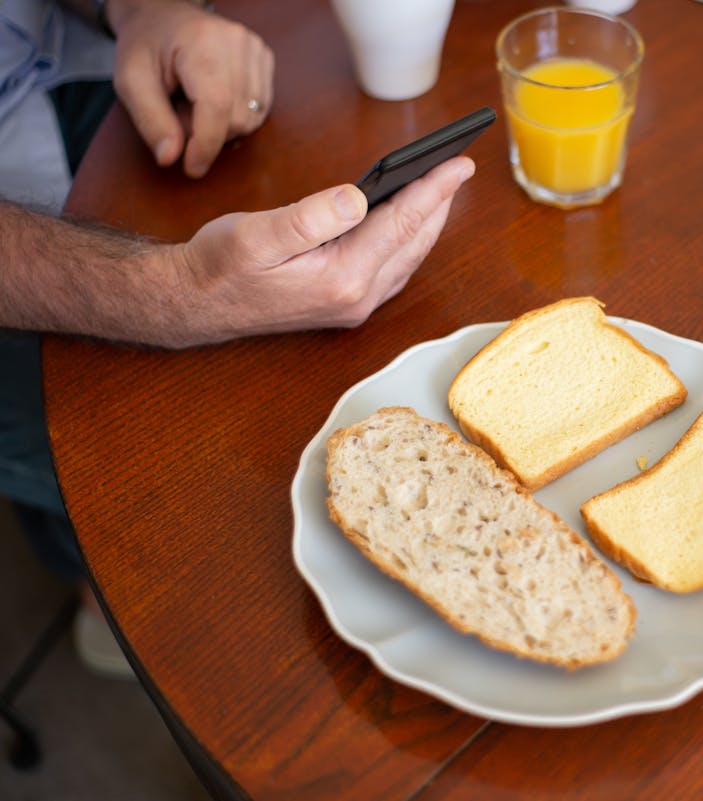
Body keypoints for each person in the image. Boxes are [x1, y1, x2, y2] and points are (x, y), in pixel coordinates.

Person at [0, 0, 474, 676]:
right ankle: (97, 594)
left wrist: (139, 10)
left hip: (73, 65)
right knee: (118, 473)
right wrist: (171, 294)